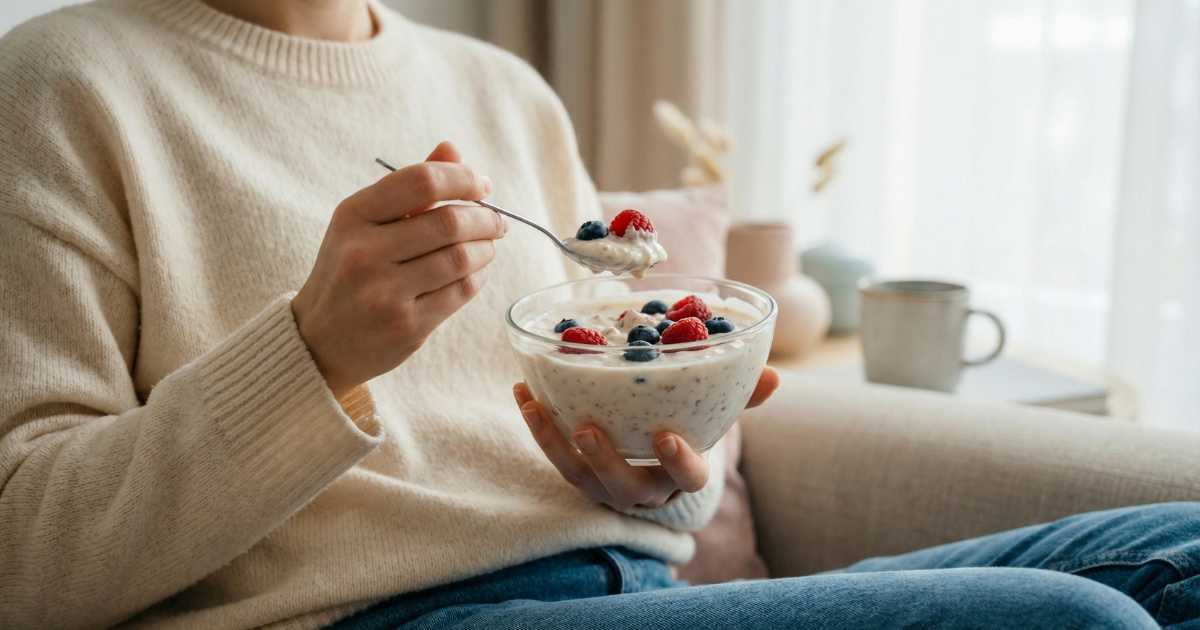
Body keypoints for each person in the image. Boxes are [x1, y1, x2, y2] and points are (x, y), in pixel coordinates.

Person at [0, 1, 1195, 628]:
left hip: (637, 587)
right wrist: (312, 353)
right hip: (370, 619)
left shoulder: (501, 91)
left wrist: (662, 473)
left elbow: (619, 400)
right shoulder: (63, 85)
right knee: (1078, 621)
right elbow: (26, 562)